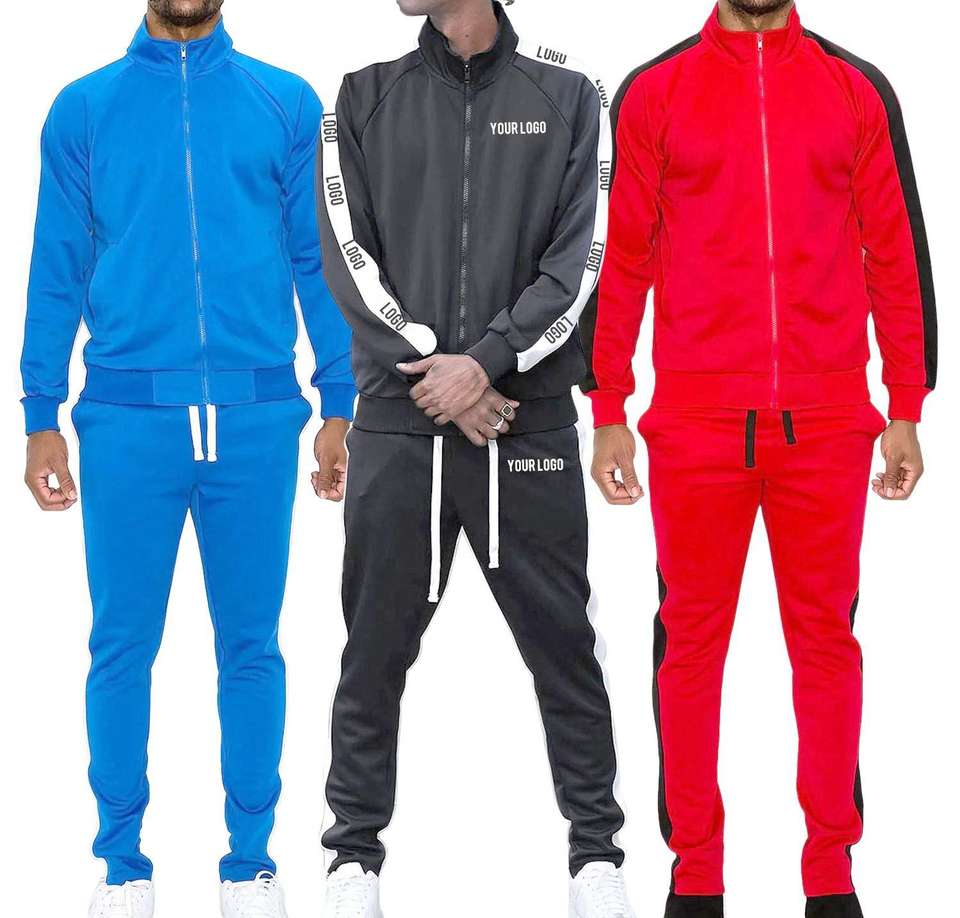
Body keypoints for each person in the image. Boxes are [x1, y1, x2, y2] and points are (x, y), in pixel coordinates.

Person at [580, 1, 936, 916]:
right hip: (696, 421)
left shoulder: (856, 89)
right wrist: (609, 404)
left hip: (828, 419)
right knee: (690, 650)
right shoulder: (655, 92)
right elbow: (622, 255)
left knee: (827, 648)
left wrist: (906, 402)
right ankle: (696, 875)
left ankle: (831, 876)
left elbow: (895, 251)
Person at [20, 1, 355, 915]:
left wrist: (340, 398)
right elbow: (56, 262)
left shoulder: (284, 102)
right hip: (128, 420)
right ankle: (122, 866)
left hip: (256, 419)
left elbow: (316, 258)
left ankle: (250, 864)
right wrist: (40, 411)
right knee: (120, 646)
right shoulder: (83, 109)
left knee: (252, 646)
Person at [316, 1, 633, 915]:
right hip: (399, 428)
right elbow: (345, 253)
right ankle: (352, 859)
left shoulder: (570, 93)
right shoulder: (362, 97)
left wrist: (487, 362)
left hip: (523, 427)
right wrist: (445, 377)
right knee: (372, 653)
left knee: (565, 649)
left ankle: (596, 857)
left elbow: (582, 260)